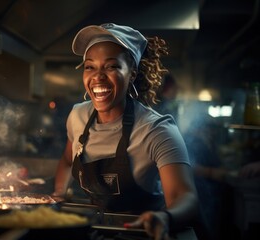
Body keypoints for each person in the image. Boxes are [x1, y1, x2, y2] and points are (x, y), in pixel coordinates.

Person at [53, 23, 198, 240]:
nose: (98, 77)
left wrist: (165, 217)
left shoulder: (156, 129)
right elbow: (67, 160)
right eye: (90, 66)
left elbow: (184, 196)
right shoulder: (77, 116)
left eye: (111, 66)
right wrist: (57, 198)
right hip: (98, 232)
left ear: (132, 73)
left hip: (144, 235)